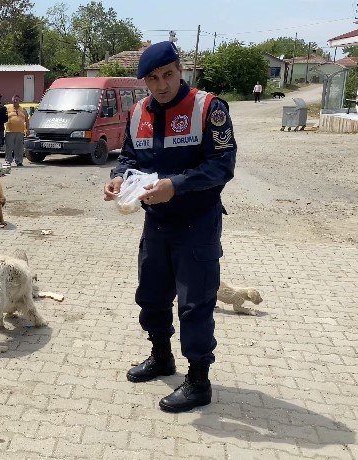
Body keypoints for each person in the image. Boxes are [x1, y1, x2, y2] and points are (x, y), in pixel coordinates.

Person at [103, 41, 237, 412]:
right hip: (156, 223)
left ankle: (198, 381)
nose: (161, 85)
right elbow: (129, 156)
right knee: (151, 294)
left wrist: (174, 186)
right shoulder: (138, 112)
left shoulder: (208, 108)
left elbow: (222, 166)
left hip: (197, 223)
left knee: (195, 303)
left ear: (181, 71)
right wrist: (118, 179)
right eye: (152, 78)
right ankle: (161, 356)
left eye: (168, 75)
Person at [4, 95, 29, 166]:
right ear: (12, 101)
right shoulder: (8, 108)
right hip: (9, 131)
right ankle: (8, 161)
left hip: (20, 132)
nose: (15, 101)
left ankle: (19, 161)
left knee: (19, 148)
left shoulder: (23, 109)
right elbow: (3, 118)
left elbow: (27, 120)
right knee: (9, 147)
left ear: (19, 100)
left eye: (17, 100)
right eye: (14, 100)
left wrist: (27, 129)